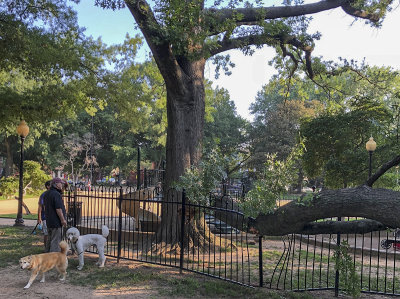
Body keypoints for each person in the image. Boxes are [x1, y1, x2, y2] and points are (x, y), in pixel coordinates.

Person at [44, 177, 68, 252]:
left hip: (49, 221)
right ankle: (53, 261)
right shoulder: (56, 194)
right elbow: (58, 209)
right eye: (60, 183)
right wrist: (63, 220)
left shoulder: (46, 193)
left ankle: (47, 257)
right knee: (56, 242)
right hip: (56, 222)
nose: (62, 185)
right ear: (56, 184)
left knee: (50, 240)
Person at [37, 180, 51, 250]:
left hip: (52, 217)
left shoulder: (54, 194)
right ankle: (46, 248)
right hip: (45, 217)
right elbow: (40, 207)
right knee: (46, 234)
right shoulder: (43, 195)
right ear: (48, 186)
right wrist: (39, 218)